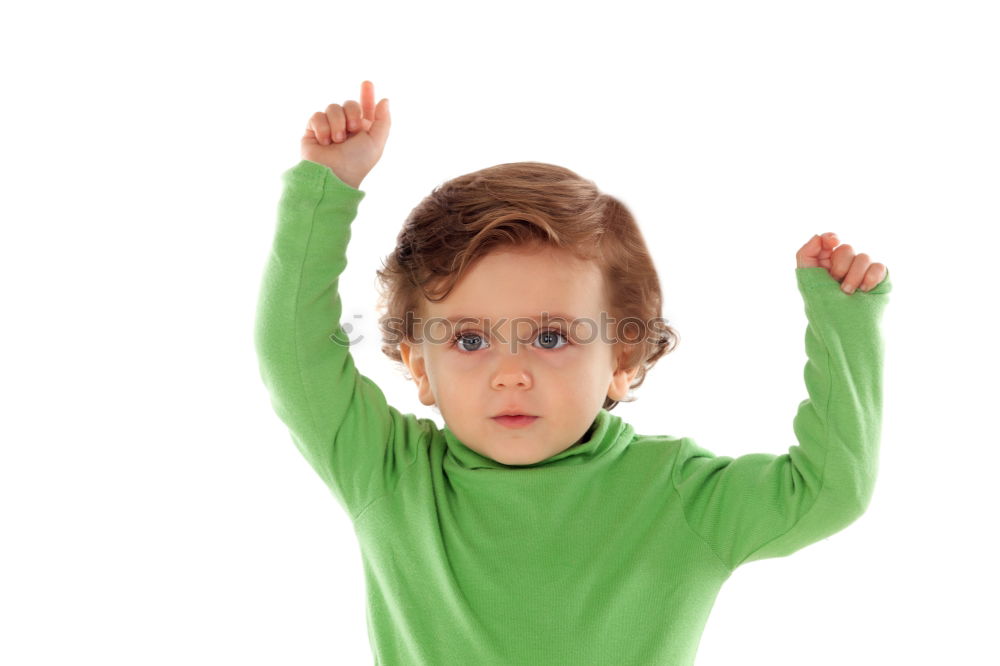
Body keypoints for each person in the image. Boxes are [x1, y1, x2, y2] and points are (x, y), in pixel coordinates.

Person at [253, 80, 892, 665]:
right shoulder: (392, 475)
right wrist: (326, 188)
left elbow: (828, 491)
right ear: (420, 368)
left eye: (552, 336)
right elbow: (293, 352)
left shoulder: (676, 493)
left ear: (622, 359)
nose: (510, 374)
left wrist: (846, 326)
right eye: (471, 339)